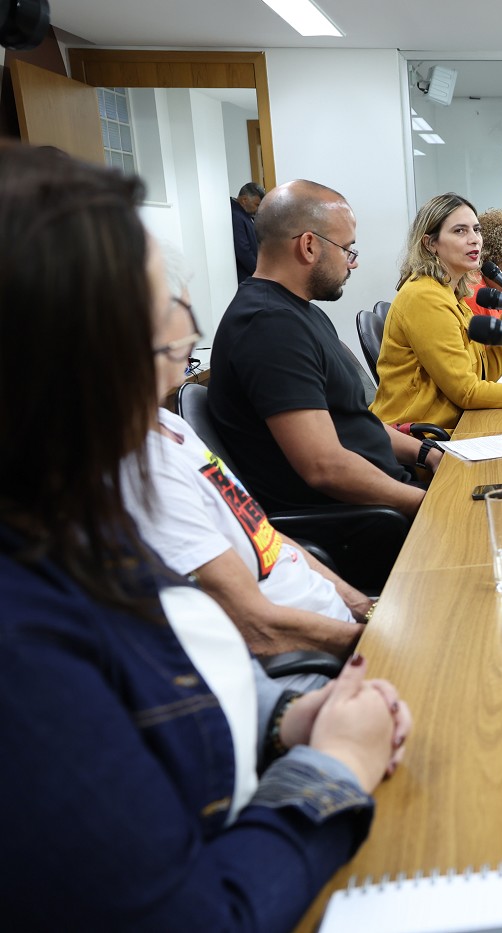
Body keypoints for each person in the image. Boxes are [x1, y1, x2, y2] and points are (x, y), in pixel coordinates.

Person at [0, 141, 409, 930]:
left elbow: (175, 675)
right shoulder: (23, 638)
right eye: (165, 321)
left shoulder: (78, 499)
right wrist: (335, 768)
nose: (186, 339)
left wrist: (294, 718)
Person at [124, 269, 371, 675]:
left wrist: (364, 609)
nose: (192, 326)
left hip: (337, 630)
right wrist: (377, 644)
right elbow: (257, 626)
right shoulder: (142, 469)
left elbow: (265, 536)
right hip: (314, 667)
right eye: (179, 310)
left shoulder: (168, 425)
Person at [209, 179, 445, 521]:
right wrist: (430, 504)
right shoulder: (269, 326)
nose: (353, 263)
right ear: (308, 246)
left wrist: (429, 454)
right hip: (364, 522)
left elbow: (351, 419)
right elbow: (325, 468)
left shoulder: (299, 312)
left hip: (385, 502)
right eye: (347, 249)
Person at [371, 194, 502, 427]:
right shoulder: (425, 297)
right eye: (459, 231)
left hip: (452, 425)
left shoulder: (452, 292)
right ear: (430, 243)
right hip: (421, 434)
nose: (474, 239)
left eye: (476, 230)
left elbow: (482, 375)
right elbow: (467, 393)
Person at [230, 181, 263, 282]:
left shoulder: (244, 214)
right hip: (245, 276)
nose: (258, 209)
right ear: (244, 199)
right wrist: (259, 272)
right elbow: (243, 250)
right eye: (256, 205)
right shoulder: (236, 215)